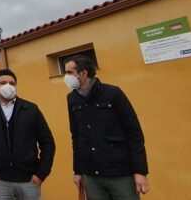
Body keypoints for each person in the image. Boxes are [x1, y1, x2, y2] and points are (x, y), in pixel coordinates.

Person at [64, 55, 150, 200]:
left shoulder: (113, 93)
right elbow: (76, 137)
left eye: (69, 72)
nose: (66, 77)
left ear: (83, 73)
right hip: (91, 176)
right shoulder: (72, 99)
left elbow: (134, 133)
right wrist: (77, 171)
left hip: (120, 174)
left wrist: (140, 171)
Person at [0, 69, 55, 200]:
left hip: (29, 180)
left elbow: (47, 142)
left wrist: (41, 173)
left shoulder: (31, 109)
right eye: (3, 83)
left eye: (12, 83)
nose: (8, 86)